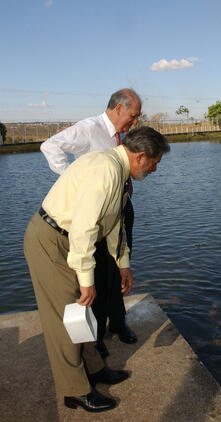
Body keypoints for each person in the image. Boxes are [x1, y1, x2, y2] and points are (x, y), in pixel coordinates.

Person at [24, 126, 170, 413]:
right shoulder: (105, 170)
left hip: (67, 240)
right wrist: (86, 279)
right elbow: (84, 227)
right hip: (51, 240)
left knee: (83, 313)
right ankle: (75, 390)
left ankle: (93, 369)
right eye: (154, 164)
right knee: (66, 317)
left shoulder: (119, 172)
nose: (154, 171)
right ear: (140, 156)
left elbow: (114, 226)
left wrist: (123, 265)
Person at [40, 89, 141, 358]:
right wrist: (71, 180)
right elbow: (49, 145)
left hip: (119, 206)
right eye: (133, 116)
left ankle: (118, 323)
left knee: (119, 266)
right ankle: (96, 336)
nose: (135, 122)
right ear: (118, 108)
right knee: (96, 272)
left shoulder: (123, 136)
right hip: (93, 212)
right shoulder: (88, 129)